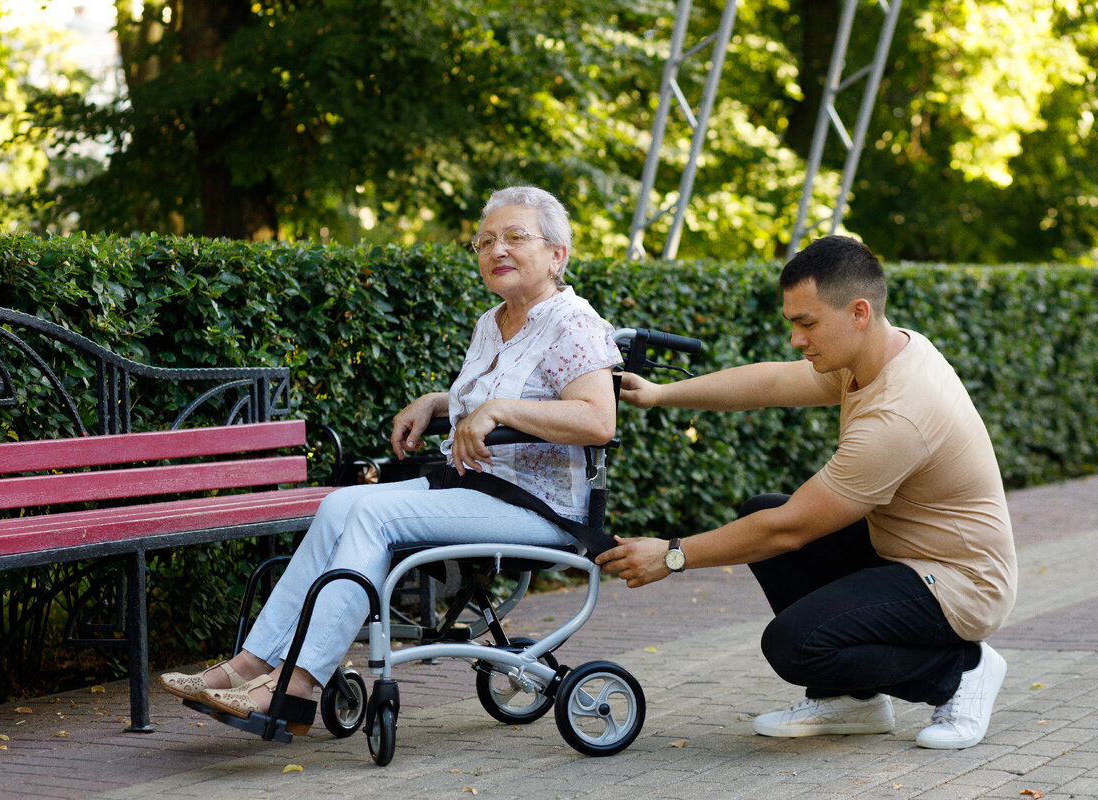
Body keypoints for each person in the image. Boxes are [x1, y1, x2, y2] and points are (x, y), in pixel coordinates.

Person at [159, 185, 622, 736]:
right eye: (485, 240)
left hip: (541, 508)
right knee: (339, 505)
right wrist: (438, 403)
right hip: (473, 490)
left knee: (376, 517)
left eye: (515, 236)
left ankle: (300, 684)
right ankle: (251, 663)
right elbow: (495, 398)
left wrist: (497, 409)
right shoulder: (490, 322)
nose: (496, 249)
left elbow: (598, 420)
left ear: (557, 254)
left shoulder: (573, 321)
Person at [596, 235, 1016, 750]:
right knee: (760, 512)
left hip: (961, 583)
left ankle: (961, 670)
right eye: (793, 322)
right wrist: (663, 394)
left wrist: (673, 556)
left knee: (794, 644)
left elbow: (792, 528)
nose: (796, 339)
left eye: (807, 323)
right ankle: (853, 701)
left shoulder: (900, 413)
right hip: (904, 552)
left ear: (859, 312)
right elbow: (771, 384)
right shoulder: (878, 352)